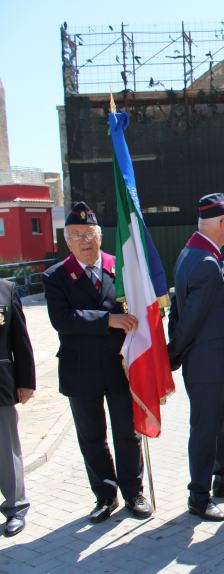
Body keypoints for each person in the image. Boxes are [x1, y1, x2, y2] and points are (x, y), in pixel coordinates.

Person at [43, 202, 152, 523]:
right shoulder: (56, 276)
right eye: (77, 235)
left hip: (120, 369)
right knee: (92, 437)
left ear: (100, 236)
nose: (84, 240)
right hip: (81, 371)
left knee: (128, 433)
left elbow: (141, 309)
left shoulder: (121, 270)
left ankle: (134, 492)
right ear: (67, 241)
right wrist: (109, 320)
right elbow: (62, 319)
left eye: (89, 233)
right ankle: (105, 496)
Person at [168, 193, 224, 522]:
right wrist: (171, 354)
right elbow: (189, 319)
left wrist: (175, 350)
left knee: (218, 421)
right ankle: (199, 495)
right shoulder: (204, 261)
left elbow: (178, 309)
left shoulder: (193, 252)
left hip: (208, 362)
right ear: (223, 222)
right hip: (205, 363)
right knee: (205, 426)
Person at [0, 278, 35, 537]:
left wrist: (26, 382)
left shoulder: (6, 290)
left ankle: (15, 506)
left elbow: (19, 339)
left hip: (0, 383)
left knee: (5, 449)